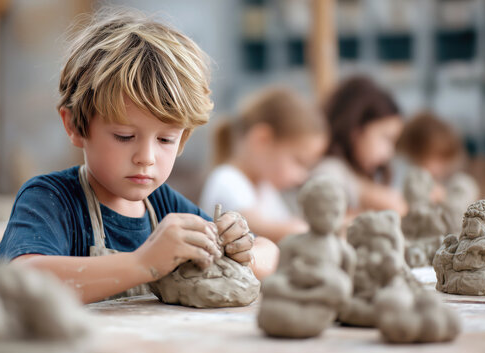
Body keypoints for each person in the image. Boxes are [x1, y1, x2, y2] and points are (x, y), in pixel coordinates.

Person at [0, 10, 279, 304]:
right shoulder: (52, 200)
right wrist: (143, 264)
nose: (146, 157)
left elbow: (271, 252)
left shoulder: (165, 206)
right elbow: (21, 281)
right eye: (124, 136)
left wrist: (240, 252)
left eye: (166, 139)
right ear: (75, 126)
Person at [199, 87, 328, 243]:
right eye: (298, 161)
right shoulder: (227, 179)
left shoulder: (265, 188)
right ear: (262, 140)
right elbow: (258, 228)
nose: (302, 176)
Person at [311, 76, 406, 217]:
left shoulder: (362, 175)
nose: (389, 152)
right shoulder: (329, 171)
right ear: (355, 130)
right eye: (386, 138)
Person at [394, 111, 464, 202]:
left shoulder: (434, 180)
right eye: (439, 159)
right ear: (418, 152)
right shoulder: (402, 173)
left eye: (445, 161)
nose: (441, 168)